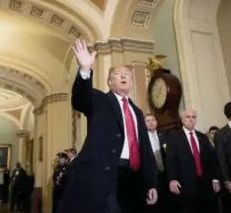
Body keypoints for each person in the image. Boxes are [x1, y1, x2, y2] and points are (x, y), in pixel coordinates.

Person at [57, 39, 158, 213]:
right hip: (105, 175)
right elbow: (80, 98)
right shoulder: (99, 100)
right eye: (118, 74)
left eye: (127, 74)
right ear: (110, 82)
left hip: (133, 178)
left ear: (131, 82)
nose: (124, 76)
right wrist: (85, 69)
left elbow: (146, 150)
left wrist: (151, 183)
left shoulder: (138, 112)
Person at [166, 109, 220, 213]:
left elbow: (210, 160)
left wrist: (215, 179)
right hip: (185, 185)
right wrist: (172, 179)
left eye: (193, 117)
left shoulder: (203, 137)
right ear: (182, 119)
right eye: (188, 117)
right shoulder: (174, 136)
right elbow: (170, 159)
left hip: (205, 184)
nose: (191, 120)